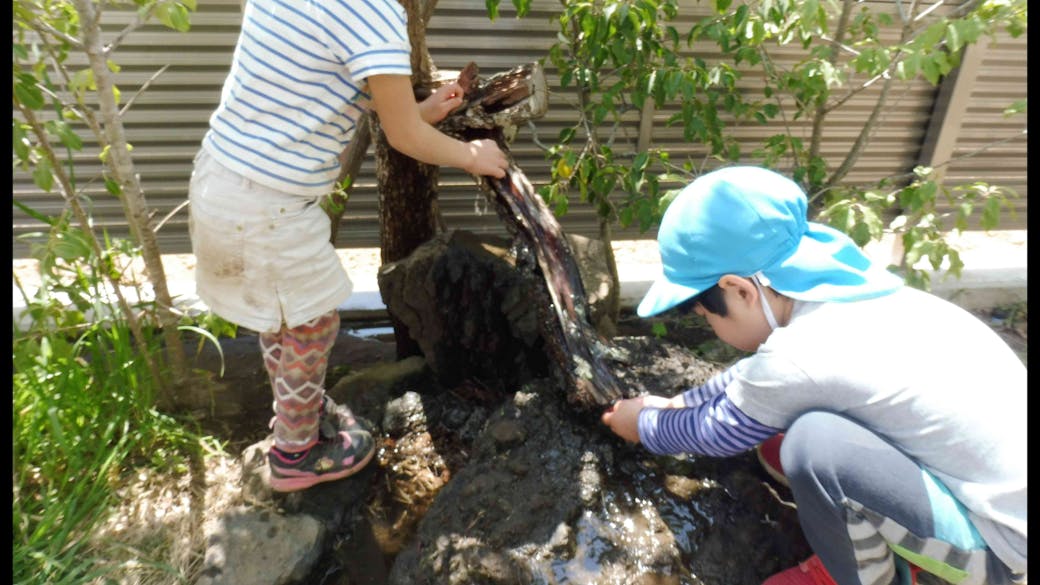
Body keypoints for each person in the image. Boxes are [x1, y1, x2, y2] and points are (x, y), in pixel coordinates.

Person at [600, 166, 1026, 585]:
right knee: (788, 430)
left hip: (1002, 552)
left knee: (813, 447)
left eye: (706, 315)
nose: (711, 327)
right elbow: (754, 379)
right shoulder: (859, 299)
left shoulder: (798, 356)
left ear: (741, 291)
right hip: (1001, 499)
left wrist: (641, 425)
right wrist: (679, 403)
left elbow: (717, 432)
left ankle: (860, 574)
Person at [188, 0, 509, 493]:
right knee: (312, 325)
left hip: (226, 178)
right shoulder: (372, 14)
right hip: (266, 206)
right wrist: (472, 156)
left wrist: (421, 113)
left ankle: (302, 411)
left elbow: (320, 92)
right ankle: (294, 454)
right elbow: (402, 136)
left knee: (289, 318)